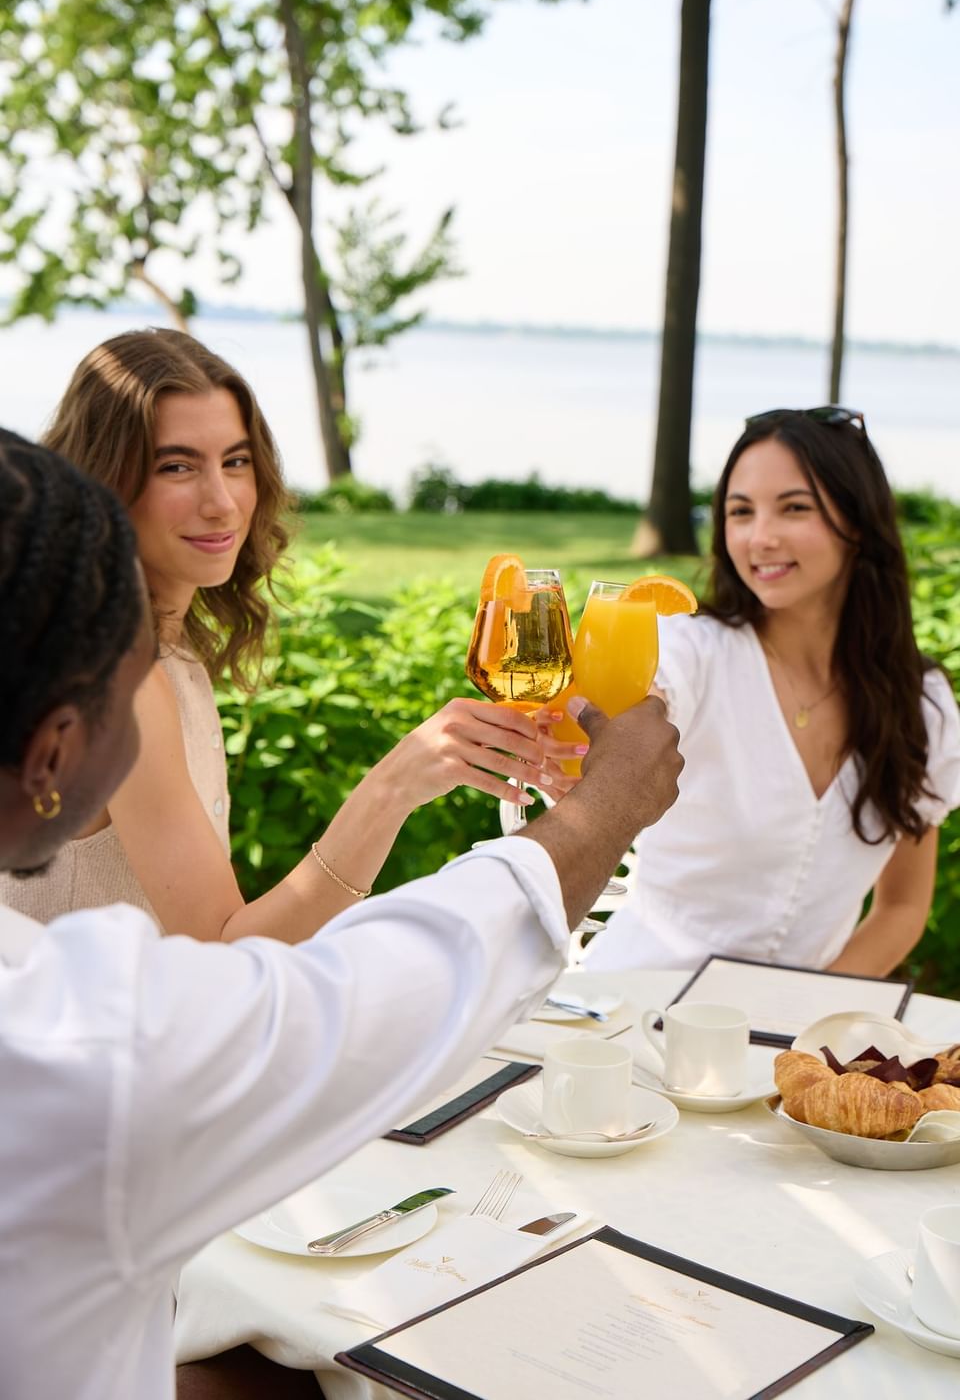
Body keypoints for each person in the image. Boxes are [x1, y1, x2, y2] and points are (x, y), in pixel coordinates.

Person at [0, 432, 683, 1398]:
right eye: (125, 688)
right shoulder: (68, 1042)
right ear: (55, 750)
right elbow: (343, 1005)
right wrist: (602, 815)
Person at [0, 329, 580, 938]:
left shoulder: (158, 647)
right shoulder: (123, 679)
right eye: (177, 466)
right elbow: (226, 951)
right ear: (104, 481)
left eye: (236, 461)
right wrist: (392, 788)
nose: (221, 502)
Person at [583, 406, 960, 977]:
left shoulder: (920, 703)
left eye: (794, 508)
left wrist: (806, 1020)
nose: (760, 538)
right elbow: (631, 700)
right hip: (632, 1008)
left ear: (857, 521)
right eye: (740, 512)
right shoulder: (690, 650)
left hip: (794, 1048)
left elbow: (902, 907)